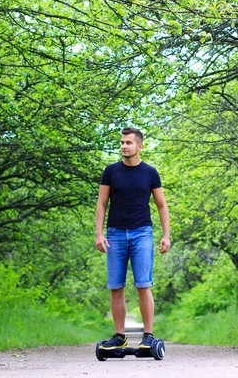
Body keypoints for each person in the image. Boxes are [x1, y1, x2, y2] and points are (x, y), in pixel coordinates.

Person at [95, 127, 171, 350]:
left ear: (140, 146)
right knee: (115, 286)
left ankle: (148, 335)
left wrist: (166, 235)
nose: (123, 146)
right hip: (115, 234)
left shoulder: (150, 173)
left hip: (142, 234)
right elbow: (101, 204)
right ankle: (119, 336)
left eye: (128, 143)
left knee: (143, 284)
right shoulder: (110, 171)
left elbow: (161, 205)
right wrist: (98, 234)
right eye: (121, 143)